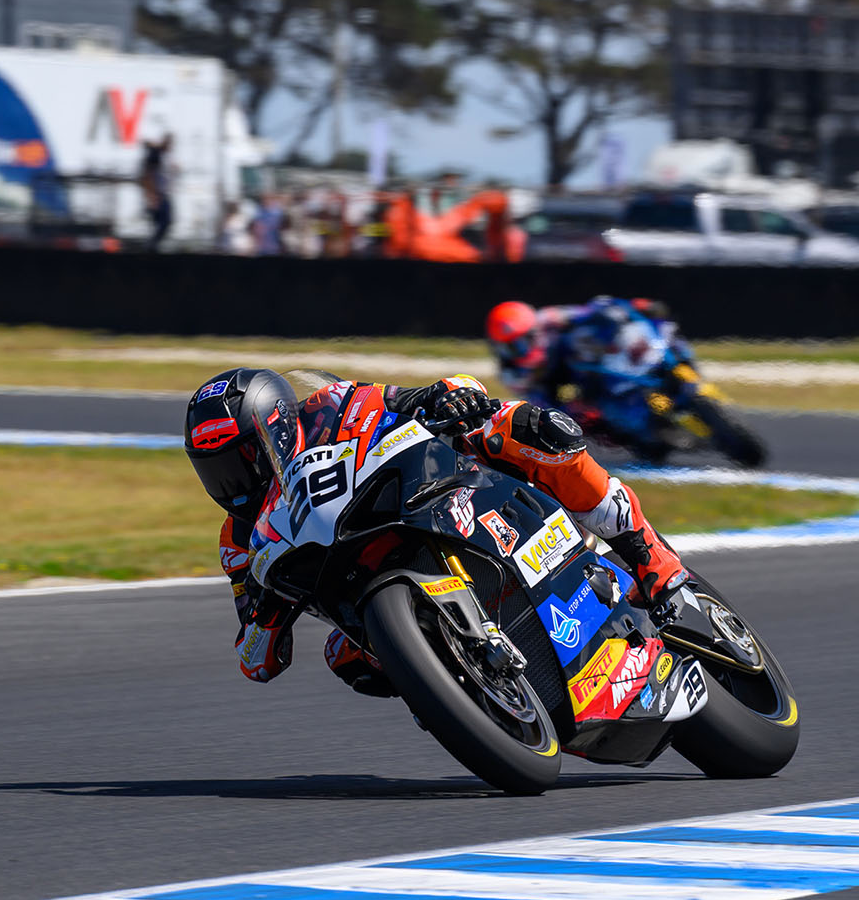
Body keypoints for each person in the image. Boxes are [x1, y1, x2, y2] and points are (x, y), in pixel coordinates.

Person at [183, 369, 689, 694]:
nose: (232, 484)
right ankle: (468, 695)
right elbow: (257, 661)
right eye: (215, 471)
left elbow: (407, 398)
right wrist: (266, 612)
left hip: (421, 500)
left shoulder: (329, 405)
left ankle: (647, 555)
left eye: (240, 461)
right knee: (345, 657)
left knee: (517, 426)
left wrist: (445, 396)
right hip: (361, 586)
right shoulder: (239, 543)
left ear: (276, 428)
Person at [486, 296, 680, 413]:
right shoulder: (512, 373)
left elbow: (592, 309)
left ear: (534, 331)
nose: (518, 351)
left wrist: (635, 306)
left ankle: (667, 359)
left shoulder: (548, 318)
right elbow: (540, 404)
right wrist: (572, 409)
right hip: (573, 385)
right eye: (509, 347)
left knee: (601, 323)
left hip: (590, 360)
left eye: (521, 343)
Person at [138, 132, 173, 251]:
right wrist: (152, 196)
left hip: (160, 194)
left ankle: (152, 245)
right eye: (169, 144)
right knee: (164, 222)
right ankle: (151, 246)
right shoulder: (155, 154)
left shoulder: (161, 154)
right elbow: (148, 175)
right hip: (157, 195)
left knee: (161, 223)